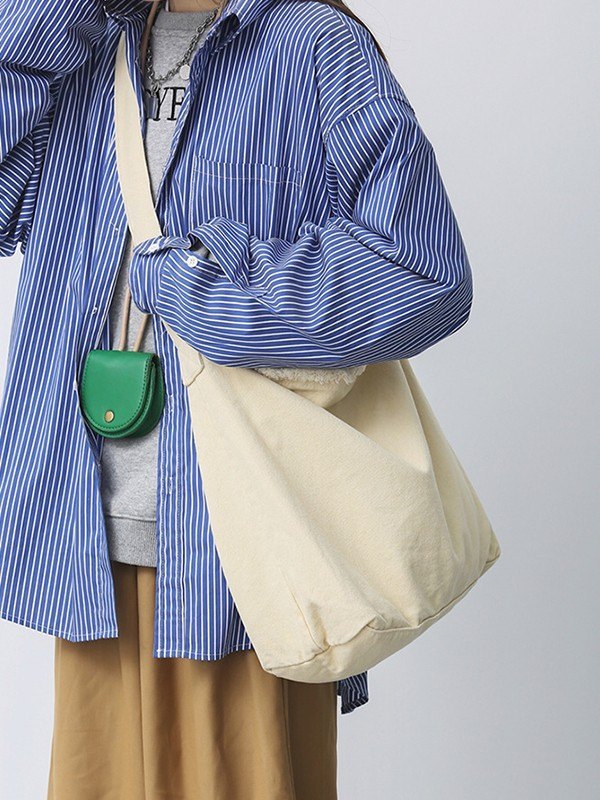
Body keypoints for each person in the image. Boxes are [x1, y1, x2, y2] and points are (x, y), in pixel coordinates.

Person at [0, 0, 473, 797]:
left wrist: (205, 290)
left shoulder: (314, 46)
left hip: (245, 556)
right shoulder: (74, 43)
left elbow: (424, 273)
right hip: (86, 548)